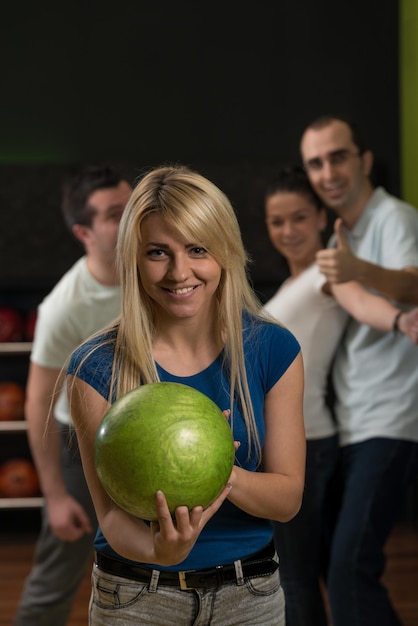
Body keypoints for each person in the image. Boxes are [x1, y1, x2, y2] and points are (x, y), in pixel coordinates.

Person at [66, 164, 306, 626]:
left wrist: (217, 468)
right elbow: (113, 521)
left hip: (250, 597)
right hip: (136, 600)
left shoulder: (274, 350)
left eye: (197, 249)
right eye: (158, 252)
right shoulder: (93, 367)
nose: (180, 272)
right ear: (134, 259)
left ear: (225, 252)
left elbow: (287, 498)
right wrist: (161, 549)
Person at [262, 165, 418, 626]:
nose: (288, 231)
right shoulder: (291, 285)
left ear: (319, 218)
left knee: (293, 579)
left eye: (299, 218)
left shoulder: (326, 273)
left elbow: (360, 300)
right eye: (276, 221)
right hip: (295, 441)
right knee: (314, 573)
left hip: (305, 444)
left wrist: (398, 320)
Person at [14, 165, 133, 626]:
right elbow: (38, 400)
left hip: (146, 429)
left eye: (131, 206)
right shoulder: (64, 306)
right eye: (114, 214)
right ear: (84, 231)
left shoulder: (159, 270)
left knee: (160, 565)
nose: (130, 220)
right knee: (56, 573)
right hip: (79, 439)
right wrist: (56, 496)